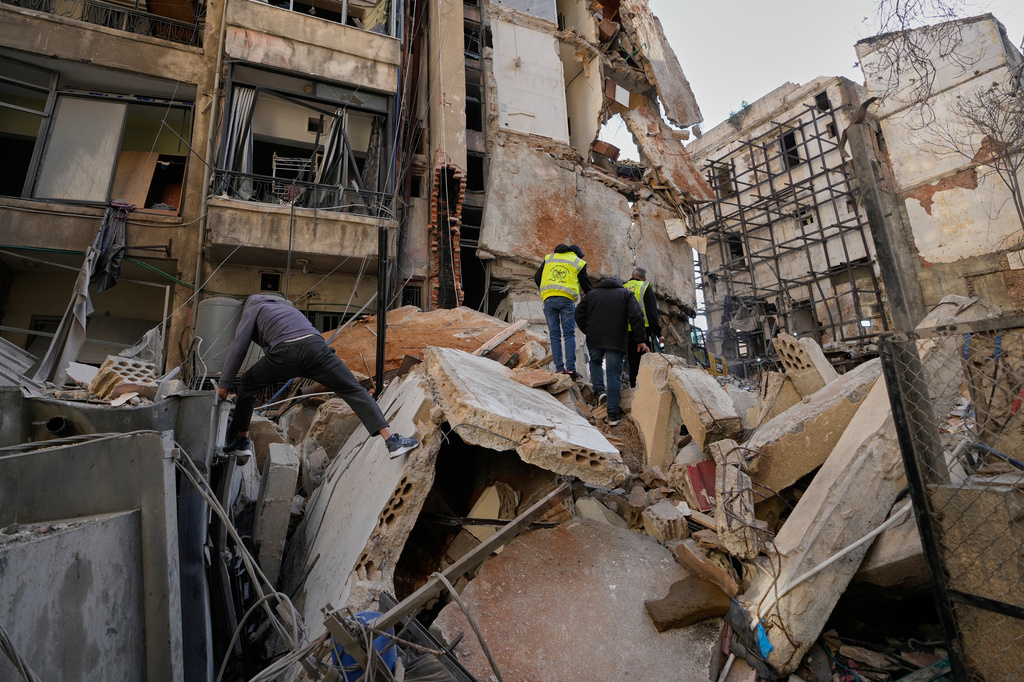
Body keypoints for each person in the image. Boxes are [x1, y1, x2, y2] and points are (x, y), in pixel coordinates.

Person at [217, 294, 419, 459]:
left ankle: (242, 441)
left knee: (248, 383)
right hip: (317, 349)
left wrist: (224, 384)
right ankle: (392, 441)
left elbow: (238, 347)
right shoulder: (287, 309)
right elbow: (308, 335)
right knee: (353, 390)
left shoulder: (252, 309)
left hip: (285, 354)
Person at [574, 276, 649, 427]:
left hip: (595, 337)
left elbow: (578, 314)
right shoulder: (626, 294)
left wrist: (588, 330)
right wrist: (640, 339)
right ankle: (613, 414)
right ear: (620, 284)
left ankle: (599, 392)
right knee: (613, 373)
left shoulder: (591, 295)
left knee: (595, 362)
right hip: (616, 338)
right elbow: (636, 316)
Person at [533, 244, 593, 380]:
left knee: (554, 335)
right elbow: (586, 286)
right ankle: (571, 370)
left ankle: (559, 369)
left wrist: (546, 291)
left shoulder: (549, 258)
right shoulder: (577, 262)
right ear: (576, 254)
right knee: (569, 335)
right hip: (566, 300)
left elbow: (537, 277)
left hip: (549, 299)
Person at [623, 267, 666, 387]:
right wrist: (658, 333)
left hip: (626, 331)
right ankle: (644, 388)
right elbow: (652, 312)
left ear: (632, 275)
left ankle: (633, 387)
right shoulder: (645, 287)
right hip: (643, 331)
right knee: (644, 361)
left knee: (631, 362)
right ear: (644, 279)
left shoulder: (623, 287)